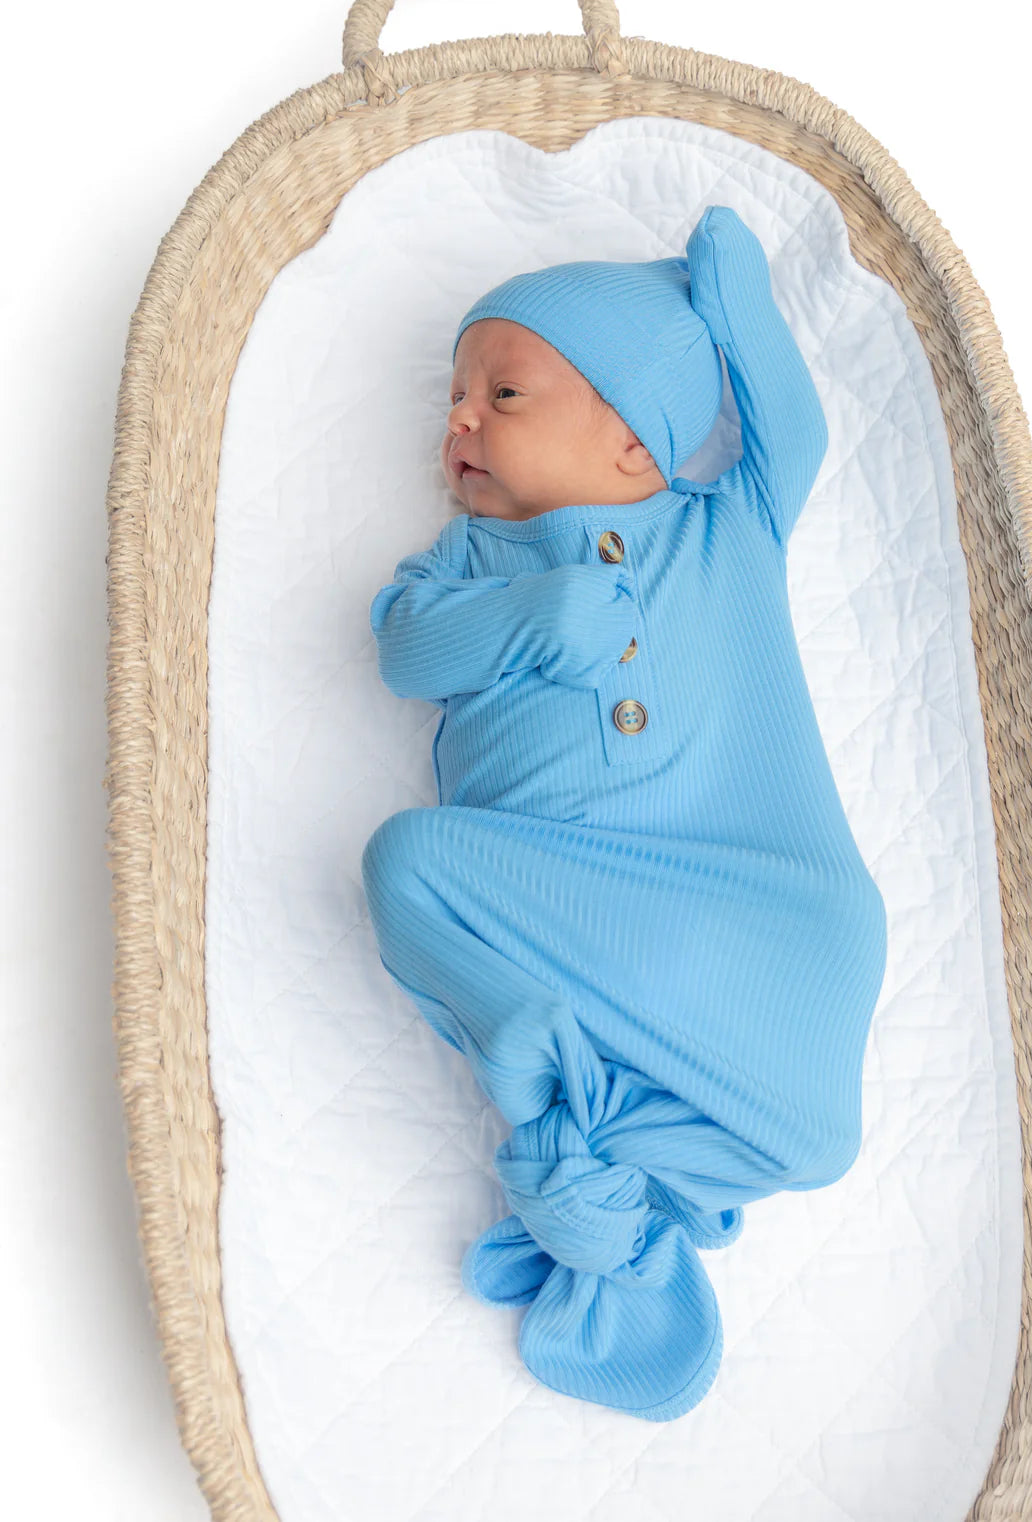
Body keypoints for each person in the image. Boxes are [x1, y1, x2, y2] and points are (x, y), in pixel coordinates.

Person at [360, 204, 888, 1421]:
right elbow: (402, 653)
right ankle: (549, 1079)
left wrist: (733, 294)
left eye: (503, 393)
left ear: (632, 447)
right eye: (453, 397)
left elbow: (786, 430)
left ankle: (609, 1149)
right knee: (405, 862)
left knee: (812, 1135)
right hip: (561, 904)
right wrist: (524, 619)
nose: (458, 419)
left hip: (763, 903)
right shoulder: (461, 566)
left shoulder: (723, 529)